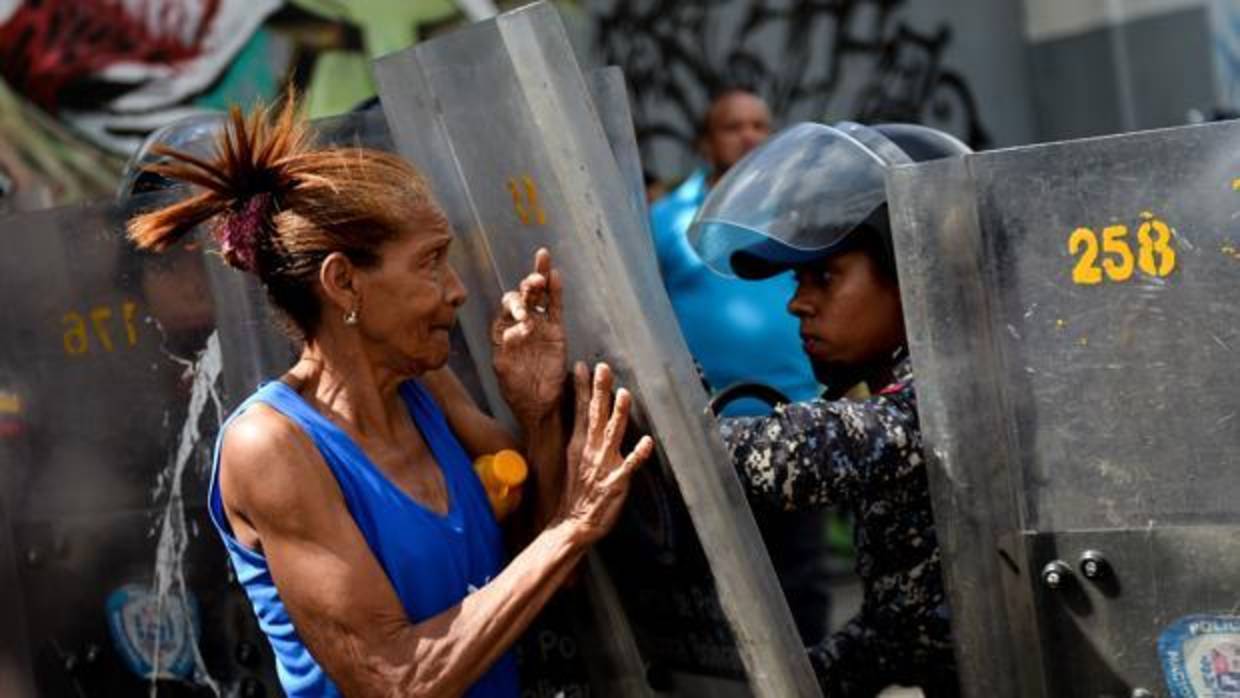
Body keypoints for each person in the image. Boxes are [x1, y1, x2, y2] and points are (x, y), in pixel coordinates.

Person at [125, 96, 655, 697]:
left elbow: (544, 576)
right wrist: (575, 523)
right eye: (430, 263)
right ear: (343, 282)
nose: (457, 291)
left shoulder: (427, 387)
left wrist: (536, 416)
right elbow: (395, 679)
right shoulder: (269, 446)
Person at [690, 120, 972, 696]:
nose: (798, 302)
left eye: (824, 276)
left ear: (915, 267)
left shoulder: (958, 392)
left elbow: (791, 456)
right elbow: (904, 623)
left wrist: (659, 419)